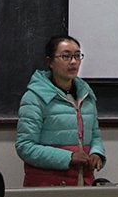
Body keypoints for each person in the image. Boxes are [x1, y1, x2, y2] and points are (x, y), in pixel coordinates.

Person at [15, 34, 106, 186]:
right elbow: (25, 146)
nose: (73, 62)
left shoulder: (86, 96)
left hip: (83, 183)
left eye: (77, 56)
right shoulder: (34, 98)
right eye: (66, 56)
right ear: (50, 61)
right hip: (48, 185)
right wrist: (69, 157)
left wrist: (97, 153)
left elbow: (95, 135)